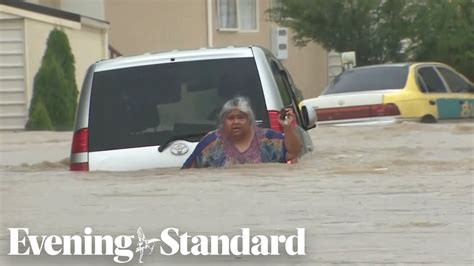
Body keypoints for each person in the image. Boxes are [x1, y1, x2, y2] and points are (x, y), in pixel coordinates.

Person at [182, 96, 301, 168]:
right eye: (230, 118)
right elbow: (187, 173)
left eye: (241, 117)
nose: (236, 122)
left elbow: (293, 154)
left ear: (249, 120)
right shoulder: (209, 144)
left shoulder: (269, 140)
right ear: (223, 122)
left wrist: (287, 127)